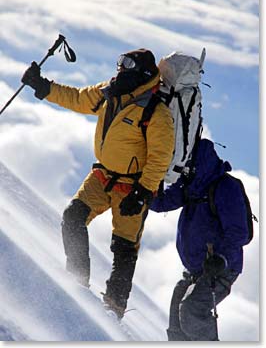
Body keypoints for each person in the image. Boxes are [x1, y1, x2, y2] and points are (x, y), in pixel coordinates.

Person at [21, 48, 175, 319]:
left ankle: (113, 310)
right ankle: (77, 281)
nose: (120, 71)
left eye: (127, 66)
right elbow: (79, 98)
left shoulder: (156, 111)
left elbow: (160, 157)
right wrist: (43, 87)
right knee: (73, 216)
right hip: (102, 176)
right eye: (120, 65)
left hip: (133, 187)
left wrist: (142, 192)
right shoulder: (109, 92)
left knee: (124, 249)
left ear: (144, 73)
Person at [150, 139, 249, 340]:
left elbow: (239, 232)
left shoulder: (225, 187)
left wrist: (221, 259)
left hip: (221, 267)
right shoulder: (190, 185)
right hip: (198, 268)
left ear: (195, 161)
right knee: (177, 317)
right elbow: (162, 203)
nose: (181, 168)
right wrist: (151, 181)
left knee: (191, 312)